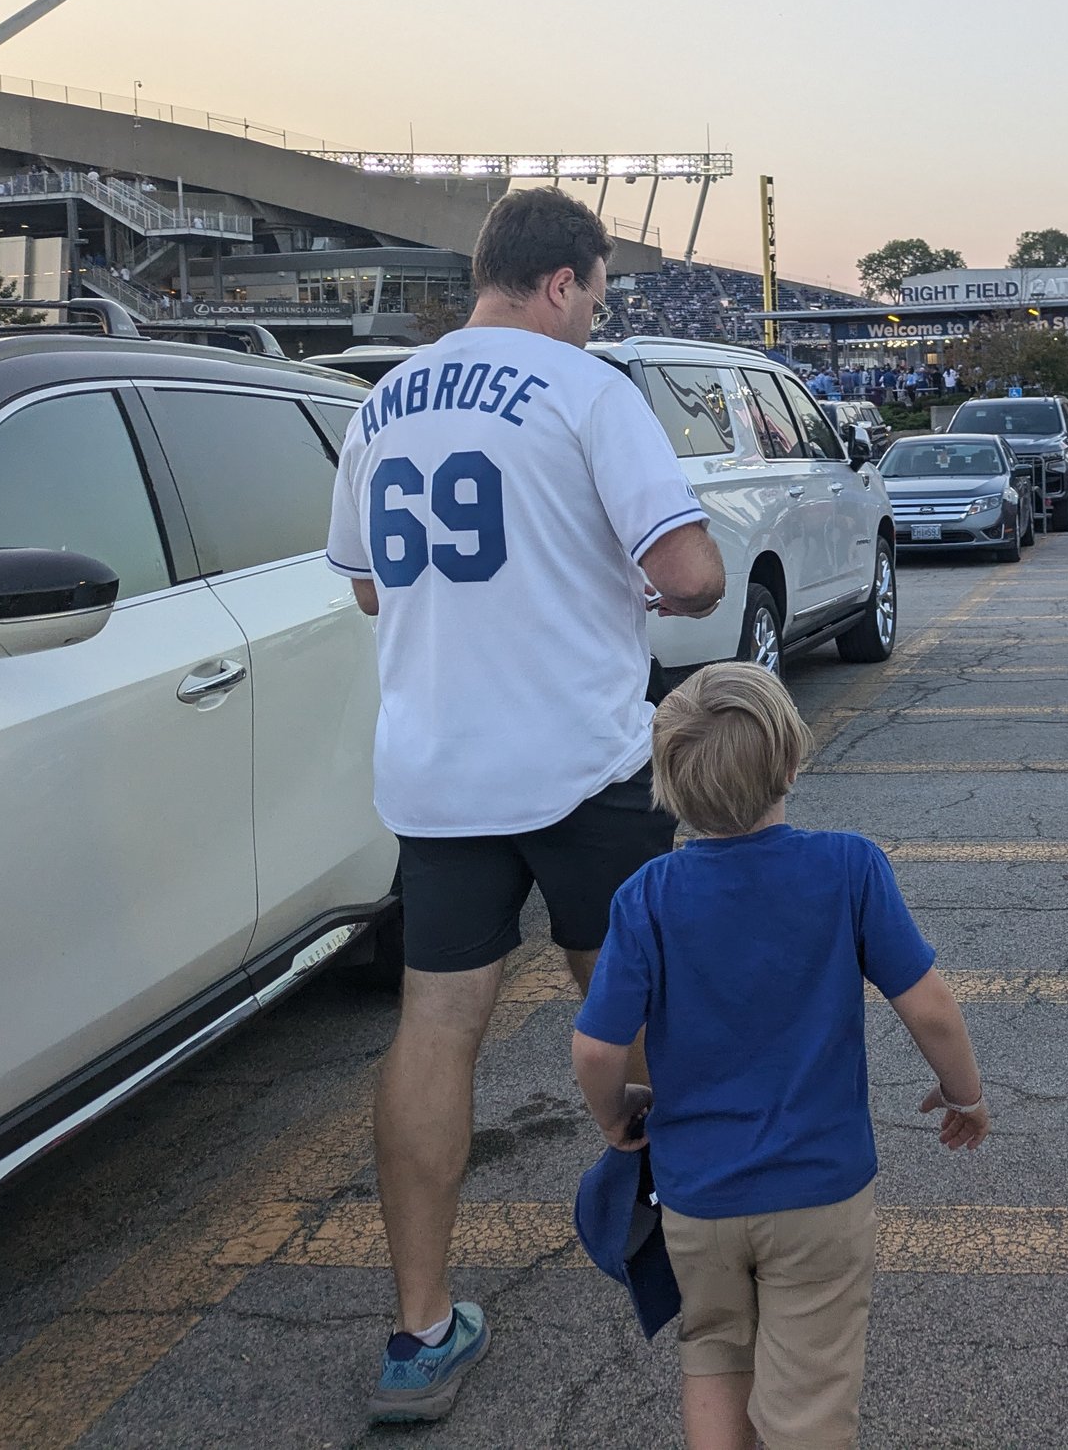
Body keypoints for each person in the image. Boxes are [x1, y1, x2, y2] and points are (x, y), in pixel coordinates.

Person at [328, 188, 729, 1425]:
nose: (596, 316)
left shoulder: (383, 401)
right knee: (630, 999)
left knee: (435, 1026)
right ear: (561, 282)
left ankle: (419, 1328)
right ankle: (693, 1250)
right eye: (596, 296)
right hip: (581, 759)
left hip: (439, 770)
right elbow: (693, 575)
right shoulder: (586, 390)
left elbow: (366, 588)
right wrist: (623, 581)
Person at [574, 664, 992, 1450]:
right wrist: (963, 1093)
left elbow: (598, 1045)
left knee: (713, 1351)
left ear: (667, 786)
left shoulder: (646, 897)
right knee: (811, 1395)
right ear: (792, 762)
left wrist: (615, 1113)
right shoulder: (849, 868)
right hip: (819, 1192)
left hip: (697, 1196)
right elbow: (930, 1007)